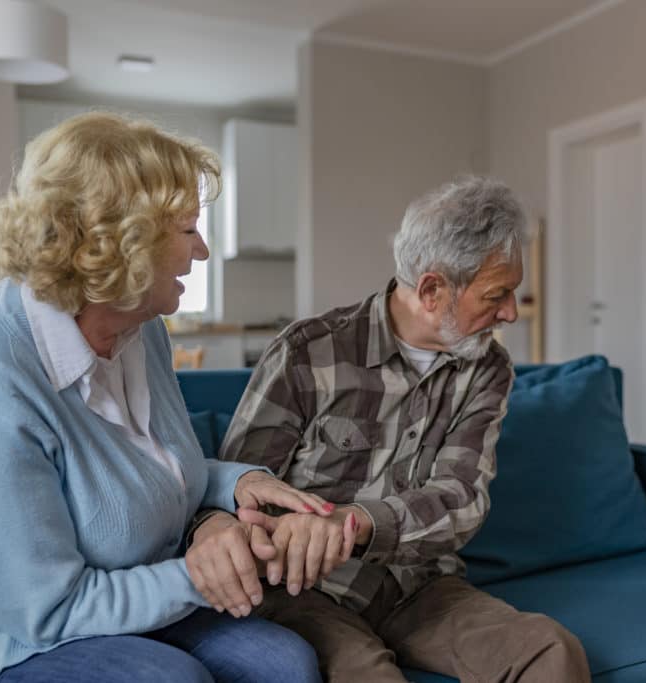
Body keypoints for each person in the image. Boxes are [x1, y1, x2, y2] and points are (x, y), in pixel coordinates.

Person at [0, 112, 356, 683]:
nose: (203, 251)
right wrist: (201, 572)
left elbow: (139, 472)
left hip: (131, 585)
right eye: (189, 230)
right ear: (120, 241)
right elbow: (47, 610)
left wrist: (236, 482)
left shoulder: (141, 330)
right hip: (10, 634)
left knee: (284, 662)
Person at [217, 176, 591, 682]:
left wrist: (352, 523)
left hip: (423, 587)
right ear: (433, 290)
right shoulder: (308, 353)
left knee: (550, 649)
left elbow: (462, 499)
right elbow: (238, 492)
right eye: (497, 294)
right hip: (311, 594)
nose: (510, 312)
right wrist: (291, 537)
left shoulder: (487, 369)